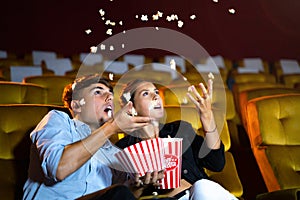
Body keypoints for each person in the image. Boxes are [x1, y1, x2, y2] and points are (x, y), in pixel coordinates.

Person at [23, 74, 164, 200]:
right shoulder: (58, 120)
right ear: (76, 105)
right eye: (98, 92)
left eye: (110, 93)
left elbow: (128, 195)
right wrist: (111, 127)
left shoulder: (114, 152)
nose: (109, 97)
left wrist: (141, 185)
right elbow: (59, 169)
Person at [115, 78, 238, 200]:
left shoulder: (180, 129)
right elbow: (124, 195)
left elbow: (217, 164)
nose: (155, 97)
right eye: (146, 93)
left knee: (202, 187)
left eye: (156, 92)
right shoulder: (124, 149)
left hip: (203, 193)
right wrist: (140, 187)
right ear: (131, 107)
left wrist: (207, 119)